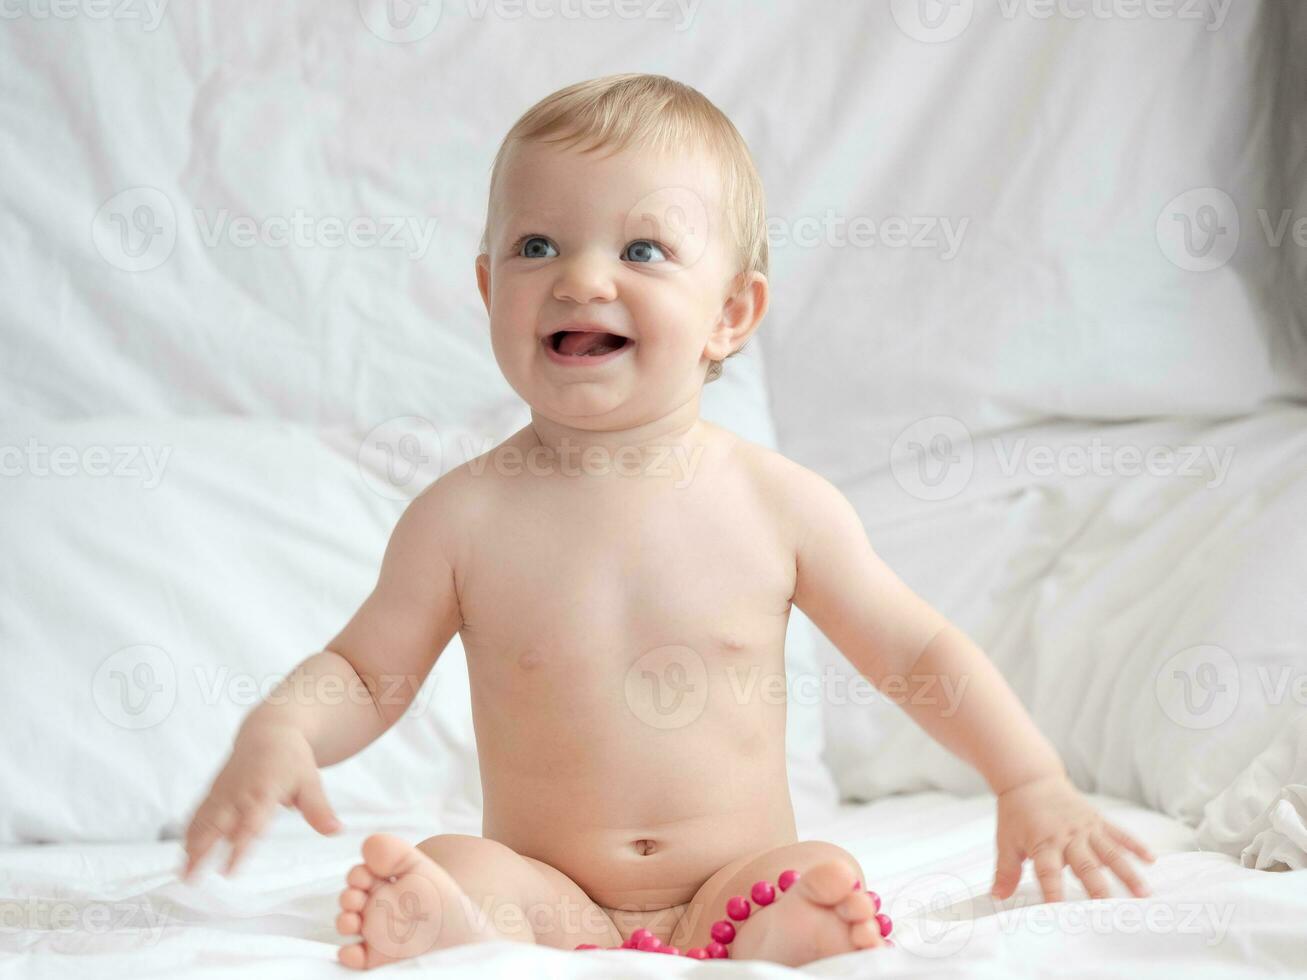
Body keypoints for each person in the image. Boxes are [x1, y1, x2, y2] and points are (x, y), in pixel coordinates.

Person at [179, 73, 1154, 968]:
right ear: (487, 289)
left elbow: (914, 649)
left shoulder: (779, 505)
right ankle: (458, 926)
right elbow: (364, 670)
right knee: (452, 860)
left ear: (730, 312)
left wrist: (1027, 778)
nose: (581, 279)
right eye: (535, 245)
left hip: (733, 882)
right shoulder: (460, 517)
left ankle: (792, 930)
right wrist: (284, 725)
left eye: (640, 249)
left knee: (816, 869)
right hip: (545, 895)